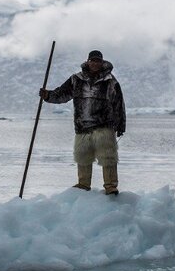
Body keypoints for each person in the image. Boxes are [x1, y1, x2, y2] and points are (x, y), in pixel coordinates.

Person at [40, 50, 127, 195]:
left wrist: (121, 125)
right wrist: (48, 95)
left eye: (97, 61)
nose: (94, 63)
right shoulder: (76, 79)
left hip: (104, 126)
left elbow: (119, 104)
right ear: (87, 61)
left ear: (102, 62)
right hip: (82, 126)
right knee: (83, 157)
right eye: (92, 60)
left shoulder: (110, 81)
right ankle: (83, 184)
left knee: (108, 157)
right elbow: (62, 94)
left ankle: (111, 185)